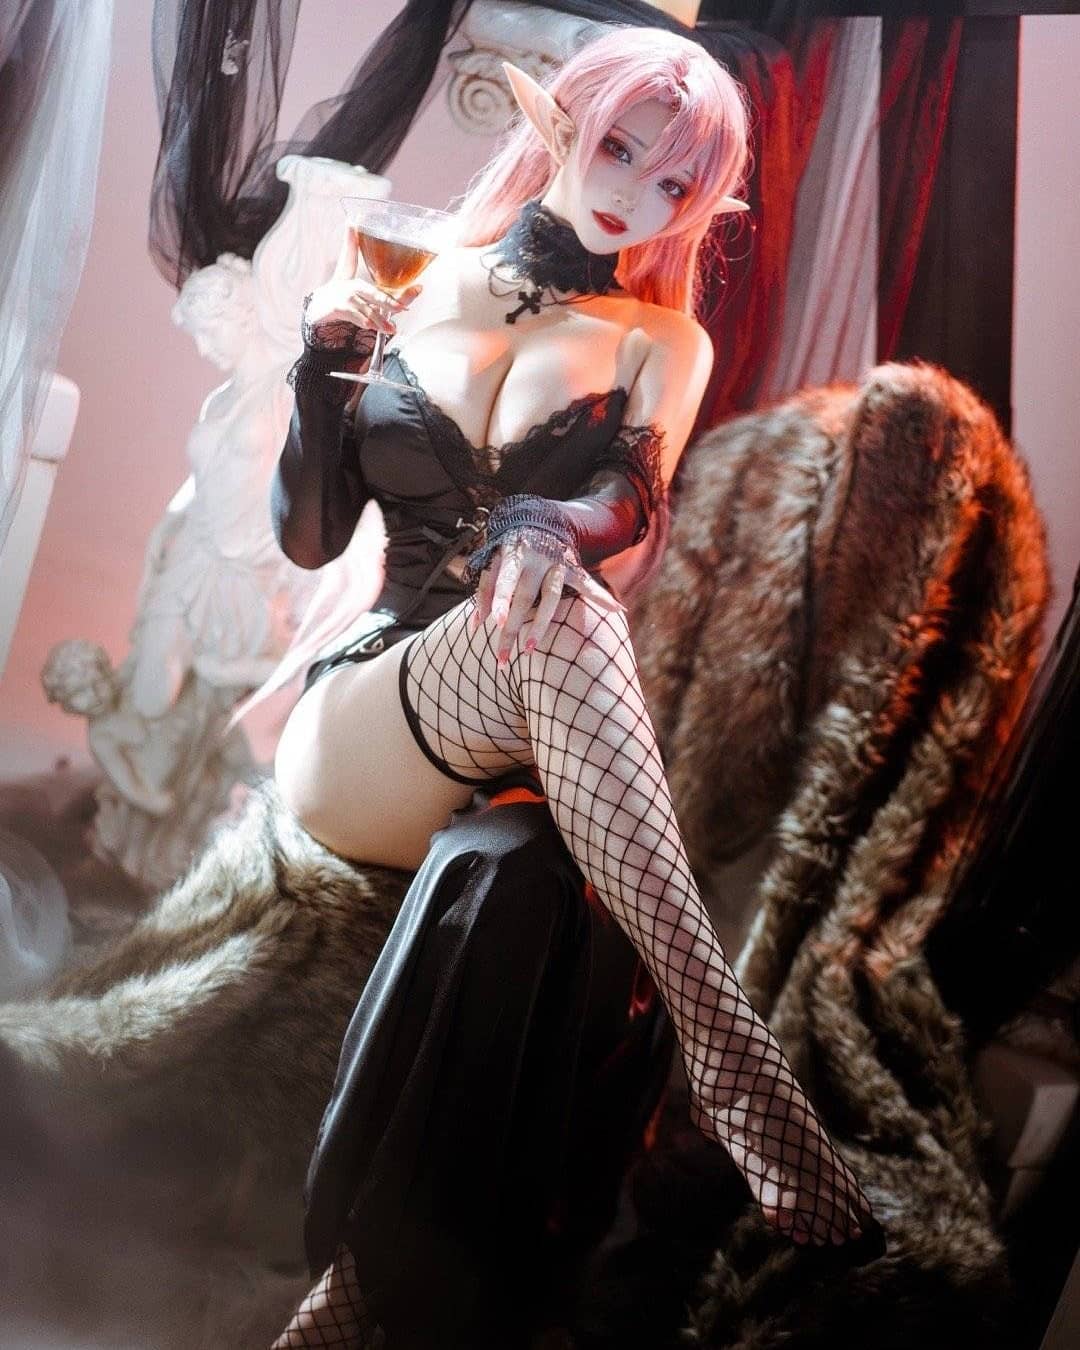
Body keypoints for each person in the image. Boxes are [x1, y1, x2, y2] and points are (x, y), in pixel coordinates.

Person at [269, 28, 886, 1348]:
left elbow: (628, 498)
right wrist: (320, 372)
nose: (634, 196)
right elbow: (312, 539)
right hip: (369, 717)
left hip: (524, 734)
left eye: (674, 185)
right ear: (559, 123)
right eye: (619, 149)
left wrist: (551, 520)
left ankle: (360, 1295)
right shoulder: (412, 278)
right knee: (569, 627)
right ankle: (733, 1057)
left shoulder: (664, 337)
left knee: (522, 886)